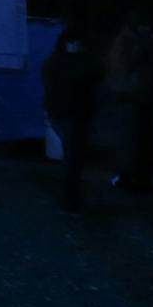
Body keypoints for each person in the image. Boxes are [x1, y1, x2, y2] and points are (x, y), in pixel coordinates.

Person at [42, 23, 105, 212]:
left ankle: (71, 197)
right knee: (73, 160)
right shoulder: (75, 64)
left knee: (72, 158)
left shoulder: (54, 62)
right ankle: (71, 199)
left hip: (61, 114)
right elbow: (94, 74)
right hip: (73, 115)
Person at [104, 20, 153, 194]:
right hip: (133, 97)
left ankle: (135, 177)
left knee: (137, 140)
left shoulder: (126, 42)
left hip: (136, 96)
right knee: (134, 140)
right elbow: (126, 65)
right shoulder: (129, 43)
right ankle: (132, 177)